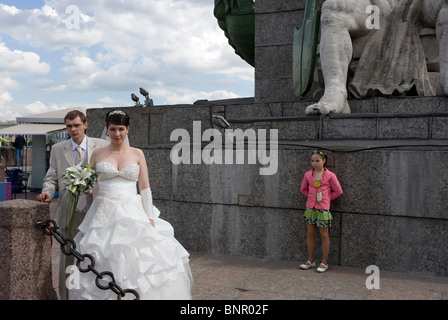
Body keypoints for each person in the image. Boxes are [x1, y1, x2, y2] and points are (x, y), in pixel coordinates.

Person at [68, 109, 192, 300]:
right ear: (106, 130)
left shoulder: (137, 154)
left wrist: (149, 216)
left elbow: (144, 188)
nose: (117, 134)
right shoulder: (97, 154)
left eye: (121, 129)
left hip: (133, 211)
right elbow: (91, 183)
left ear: (127, 129)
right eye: (112, 129)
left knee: (140, 259)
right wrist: (85, 187)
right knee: (101, 256)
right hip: (103, 212)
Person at [306, 0, 448, 115]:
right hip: (375, 9)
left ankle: (446, 80)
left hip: (421, 4)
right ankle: (335, 91)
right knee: (333, 7)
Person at [36, 109, 109, 299]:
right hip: (70, 212)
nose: (73, 129)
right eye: (69, 126)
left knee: (97, 254)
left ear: (85, 125)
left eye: (77, 125)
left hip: (97, 209)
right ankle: (67, 295)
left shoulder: (101, 145)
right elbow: (51, 177)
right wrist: (47, 192)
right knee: (69, 255)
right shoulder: (58, 149)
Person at [299, 151, 343, 272]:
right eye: (312, 161)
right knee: (310, 233)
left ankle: (324, 262)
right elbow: (302, 189)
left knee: (324, 234)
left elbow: (338, 191)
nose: (314, 163)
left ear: (324, 161)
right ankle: (310, 260)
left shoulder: (330, 175)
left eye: (317, 160)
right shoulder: (308, 174)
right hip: (310, 208)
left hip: (323, 209)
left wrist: (327, 198)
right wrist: (311, 197)